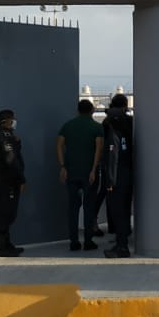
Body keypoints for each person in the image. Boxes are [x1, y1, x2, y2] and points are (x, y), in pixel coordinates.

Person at [56, 99, 104, 250]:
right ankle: (88, 241)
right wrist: (93, 169)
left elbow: (58, 145)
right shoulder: (97, 127)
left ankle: (74, 241)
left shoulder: (67, 126)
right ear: (92, 111)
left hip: (71, 172)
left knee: (73, 207)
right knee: (89, 207)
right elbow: (99, 149)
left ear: (77, 111)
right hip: (89, 174)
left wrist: (63, 166)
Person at [0, 108, 26, 257]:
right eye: (13, 119)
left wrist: (18, 143)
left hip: (4, 180)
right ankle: (2, 247)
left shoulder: (4, 136)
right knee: (5, 213)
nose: (14, 122)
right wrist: (21, 179)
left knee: (7, 213)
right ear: (8, 121)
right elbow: (11, 160)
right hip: (7, 181)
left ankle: (7, 244)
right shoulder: (3, 137)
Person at [100, 93, 135, 258]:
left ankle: (122, 247)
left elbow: (112, 157)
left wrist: (110, 181)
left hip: (117, 177)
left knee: (118, 212)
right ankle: (123, 242)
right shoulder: (128, 126)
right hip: (127, 173)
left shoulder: (113, 131)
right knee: (125, 211)